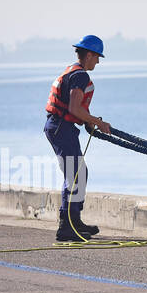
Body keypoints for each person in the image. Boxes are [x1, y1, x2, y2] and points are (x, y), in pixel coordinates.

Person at [45, 35, 112, 242]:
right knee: (75, 174)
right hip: (61, 128)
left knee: (77, 172)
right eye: (97, 57)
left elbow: (73, 108)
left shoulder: (72, 71)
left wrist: (88, 121)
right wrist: (98, 122)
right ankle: (66, 226)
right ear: (89, 55)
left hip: (60, 126)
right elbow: (74, 108)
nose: (98, 62)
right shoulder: (80, 75)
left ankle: (75, 221)